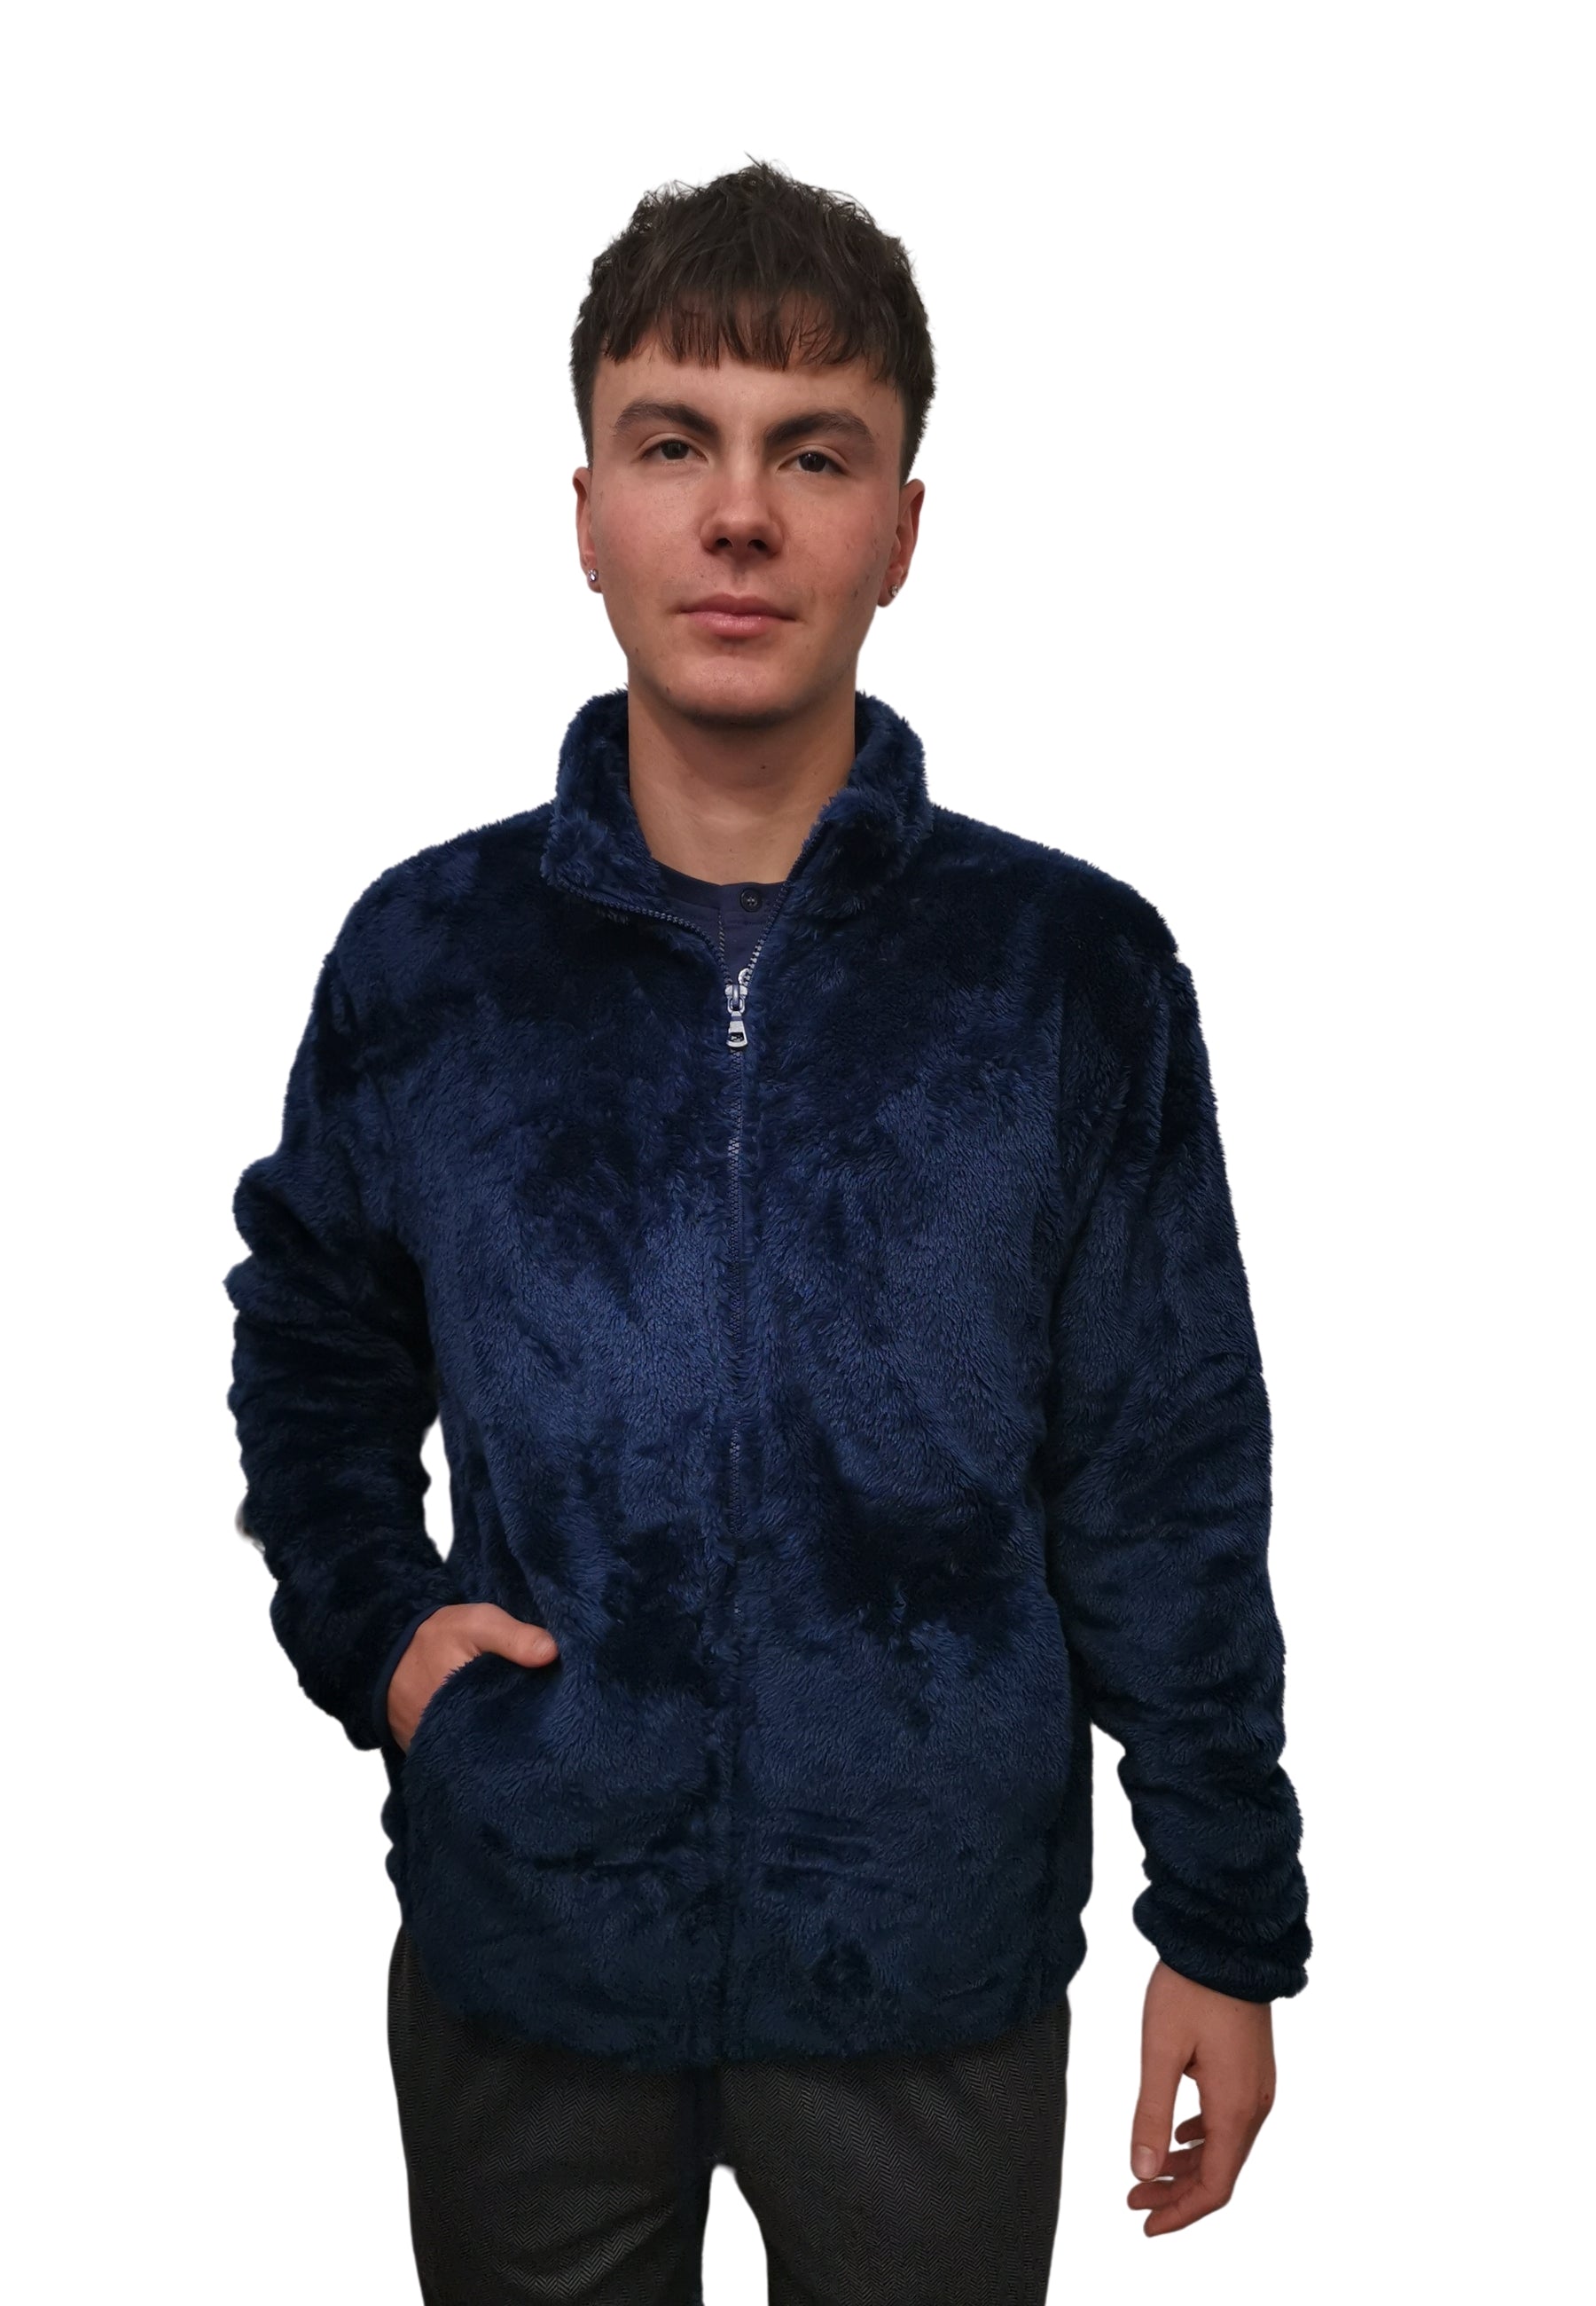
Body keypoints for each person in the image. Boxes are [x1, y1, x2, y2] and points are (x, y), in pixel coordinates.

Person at [224, 158, 1310, 2304]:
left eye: (813, 454)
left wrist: (1225, 1915)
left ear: (901, 524)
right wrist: (381, 1631)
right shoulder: (428, 958)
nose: (739, 516)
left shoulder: (1071, 972)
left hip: (930, 1968)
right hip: (533, 1941)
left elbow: (1167, 1466)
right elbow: (315, 1338)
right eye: (675, 444)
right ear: (588, 511)